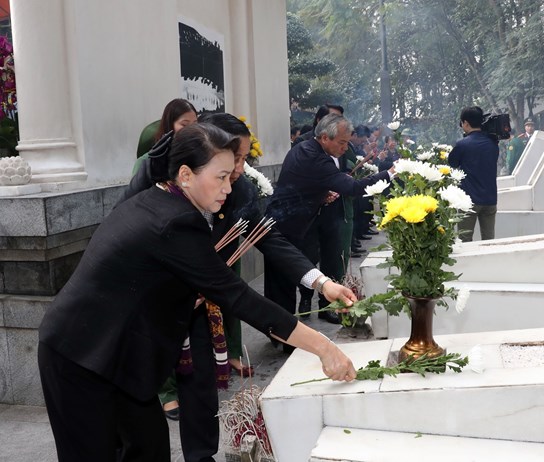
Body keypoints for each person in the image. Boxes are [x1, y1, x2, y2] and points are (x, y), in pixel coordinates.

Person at [38, 123, 357, 462]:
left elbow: (264, 241)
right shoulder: (173, 222)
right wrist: (324, 348)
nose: (228, 187)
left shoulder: (165, 198)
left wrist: (321, 283)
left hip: (120, 355)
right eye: (220, 177)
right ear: (186, 175)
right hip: (80, 355)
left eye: (231, 174)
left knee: (149, 448)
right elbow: (240, 297)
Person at [265, 114, 394, 324]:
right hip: (284, 227)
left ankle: (283, 330)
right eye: (342, 142)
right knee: (281, 287)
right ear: (325, 138)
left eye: (347, 142)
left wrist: (320, 194)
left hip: (295, 225)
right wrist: (389, 174)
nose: (345, 148)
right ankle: (281, 331)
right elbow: (353, 188)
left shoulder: (305, 148)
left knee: (287, 281)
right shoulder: (315, 157)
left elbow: (305, 185)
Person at [133, 98, 199, 420]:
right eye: (184, 124)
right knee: (159, 322)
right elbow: (135, 201)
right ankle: (166, 391)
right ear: (168, 125)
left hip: (184, 248)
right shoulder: (148, 160)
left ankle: (185, 380)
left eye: (194, 125)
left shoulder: (194, 158)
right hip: (156, 249)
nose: (190, 130)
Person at [448, 106, 499, 241]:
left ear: (465, 123)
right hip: (490, 199)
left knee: (464, 240)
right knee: (489, 240)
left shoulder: (462, 144)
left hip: (468, 201)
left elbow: (452, 162)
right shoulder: (493, 143)